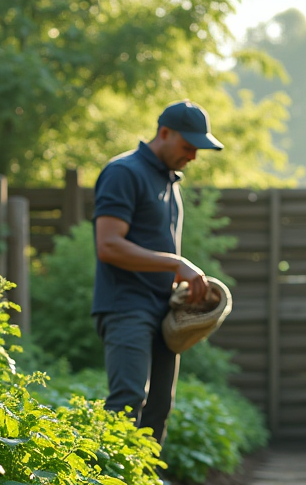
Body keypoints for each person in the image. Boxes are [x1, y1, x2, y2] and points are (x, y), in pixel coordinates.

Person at [92, 100, 224, 445]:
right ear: (164, 133)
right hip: (125, 306)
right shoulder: (124, 172)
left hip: (162, 307)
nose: (193, 156)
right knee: (127, 402)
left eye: (198, 149)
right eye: (188, 146)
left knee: (159, 407)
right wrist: (176, 264)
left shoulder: (170, 183)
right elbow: (108, 245)